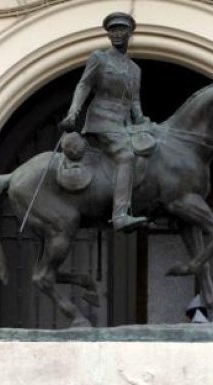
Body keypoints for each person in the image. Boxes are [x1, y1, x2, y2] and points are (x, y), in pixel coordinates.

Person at [59, 11, 150, 233]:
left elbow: (134, 100)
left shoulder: (135, 69)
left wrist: (141, 119)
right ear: (108, 35)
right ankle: (119, 215)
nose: (117, 34)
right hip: (102, 120)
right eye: (112, 31)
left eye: (121, 30)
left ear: (130, 33)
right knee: (126, 156)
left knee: (150, 153)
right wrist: (73, 112)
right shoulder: (99, 58)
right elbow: (84, 85)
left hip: (124, 124)